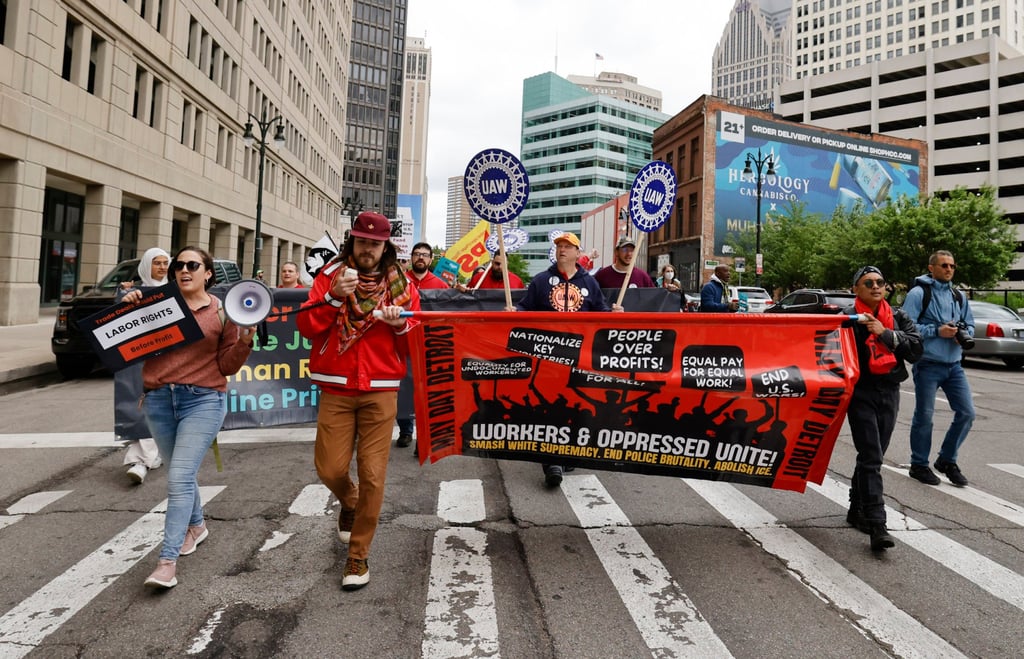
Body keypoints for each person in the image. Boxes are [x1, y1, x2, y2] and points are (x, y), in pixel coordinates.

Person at [297, 211, 420, 590]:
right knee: (330, 470)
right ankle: (348, 502)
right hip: (336, 386)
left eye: (375, 243)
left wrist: (400, 323)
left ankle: (359, 555)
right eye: (362, 241)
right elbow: (305, 327)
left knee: (373, 475)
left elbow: (414, 342)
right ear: (352, 241)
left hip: (381, 389)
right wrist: (335, 298)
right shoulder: (329, 278)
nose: (368, 249)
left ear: (386, 247)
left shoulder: (402, 286)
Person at [121, 247, 255, 589]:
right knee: (179, 473)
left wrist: (245, 340)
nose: (183, 270)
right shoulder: (155, 306)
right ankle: (197, 525)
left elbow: (227, 366)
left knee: (179, 477)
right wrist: (128, 306)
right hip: (159, 401)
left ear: (208, 273)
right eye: (178, 265)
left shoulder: (223, 313)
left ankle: (167, 562)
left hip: (203, 401)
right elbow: (124, 342)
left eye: (192, 265)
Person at [511, 231, 623, 488]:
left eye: (567, 246)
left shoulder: (589, 283)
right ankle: (551, 461)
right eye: (559, 245)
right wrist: (514, 311)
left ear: (577, 253)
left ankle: (566, 452)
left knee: (573, 405)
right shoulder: (541, 281)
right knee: (550, 404)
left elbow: (602, 313)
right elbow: (525, 308)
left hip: (579, 356)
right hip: (548, 355)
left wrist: (615, 314)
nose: (562, 249)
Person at [843, 266, 922, 551]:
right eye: (868, 283)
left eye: (880, 282)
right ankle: (878, 524)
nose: (876, 286)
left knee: (871, 456)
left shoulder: (898, 316)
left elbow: (915, 349)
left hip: (889, 390)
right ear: (856, 289)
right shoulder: (847, 318)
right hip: (860, 393)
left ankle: (856, 509)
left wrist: (885, 333)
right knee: (872, 456)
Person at [901, 250, 976, 487]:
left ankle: (946, 460)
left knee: (967, 413)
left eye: (952, 266)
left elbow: (970, 324)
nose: (949, 269)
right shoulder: (918, 293)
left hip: (954, 365)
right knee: (925, 416)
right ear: (931, 268)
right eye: (944, 265)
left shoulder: (958, 295)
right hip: (928, 365)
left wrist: (963, 335)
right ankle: (919, 464)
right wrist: (936, 332)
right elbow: (906, 327)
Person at [117, 247, 170, 484]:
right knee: (140, 403)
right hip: (141, 358)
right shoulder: (134, 292)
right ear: (147, 266)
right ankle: (140, 459)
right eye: (156, 263)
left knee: (162, 406)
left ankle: (150, 456)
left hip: (169, 357)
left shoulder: (176, 290)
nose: (162, 267)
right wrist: (124, 298)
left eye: (165, 262)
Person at [395, 242, 446, 449]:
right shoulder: (399, 282)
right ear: (412, 257)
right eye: (417, 254)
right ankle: (406, 430)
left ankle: (424, 436)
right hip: (404, 343)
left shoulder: (441, 285)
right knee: (403, 389)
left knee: (427, 391)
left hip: (431, 345)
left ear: (431, 259)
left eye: (425, 255)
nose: (420, 258)